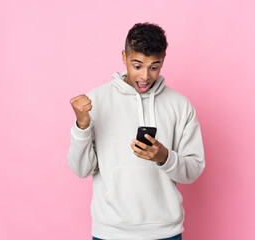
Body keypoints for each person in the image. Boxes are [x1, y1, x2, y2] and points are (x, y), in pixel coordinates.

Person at [67, 22, 205, 240]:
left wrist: (165, 157)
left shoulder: (180, 105)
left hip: (165, 232)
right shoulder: (96, 101)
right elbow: (81, 169)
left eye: (154, 66)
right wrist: (81, 127)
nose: (145, 76)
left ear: (163, 61)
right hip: (111, 232)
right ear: (124, 57)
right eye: (137, 65)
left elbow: (194, 169)